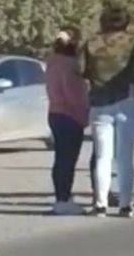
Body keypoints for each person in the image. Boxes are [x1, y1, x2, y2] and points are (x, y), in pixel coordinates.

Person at [83, 3, 134, 218]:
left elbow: (78, 69)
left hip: (100, 101)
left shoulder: (92, 43)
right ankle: (126, 204)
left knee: (103, 156)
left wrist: (93, 78)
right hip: (127, 99)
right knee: (125, 156)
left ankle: (100, 203)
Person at [45, 28, 88, 216]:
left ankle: (61, 197)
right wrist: (84, 113)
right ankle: (64, 199)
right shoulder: (70, 66)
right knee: (67, 160)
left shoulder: (52, 62)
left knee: (60, 158)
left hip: (55, 112)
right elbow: (73, 94)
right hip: (70, 115)